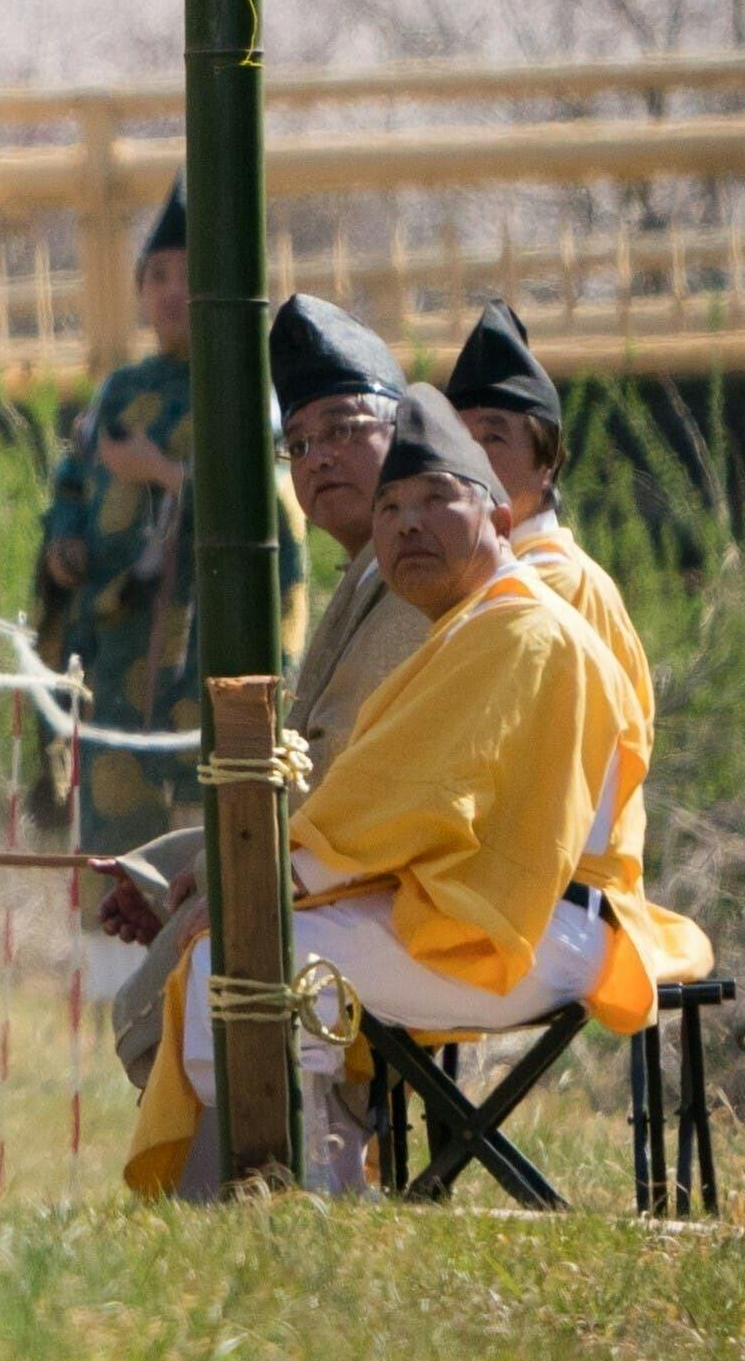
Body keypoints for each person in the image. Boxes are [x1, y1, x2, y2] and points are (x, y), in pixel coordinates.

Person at [125, 387, 706, 1196]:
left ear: (500, 521)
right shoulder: (475, 624)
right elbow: (393, 805)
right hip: (494, 913)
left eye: (437, 498)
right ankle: (288, 1194)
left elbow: (409, 803)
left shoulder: (517, 628)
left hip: (533, 928)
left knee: (249, 962)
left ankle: (295, 1201)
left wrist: (267, 886)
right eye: (392, 506)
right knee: (249, 956)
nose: (406, 524)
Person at [102, 292, 428, 1080]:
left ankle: (286, 1172)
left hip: (392, 886)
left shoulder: (416, 578)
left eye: (345, 430)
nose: (317, 458)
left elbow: (339, 776)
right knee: (170, 903)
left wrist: (222, 880)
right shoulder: (367, 572)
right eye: (300, 441)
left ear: (405, 435)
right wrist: (179, 870)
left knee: (205, 955)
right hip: (338, 863)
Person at [34, 186, 306, 875]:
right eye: (155, 276)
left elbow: (268, 503)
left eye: (186, 275)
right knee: (111, 810)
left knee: (200, 817)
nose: (169, 291)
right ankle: (114, 975)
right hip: (114, 633)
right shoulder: (118, 389)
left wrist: (161, 472)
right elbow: (72, 480)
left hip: (205, 639)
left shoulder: (243, 390)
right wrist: (65, 543)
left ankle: (195, 965)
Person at [444, 299, 654, 729]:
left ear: (548, 462)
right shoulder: (481, 575)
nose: (471, 462)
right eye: (458, 442)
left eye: (493, 439)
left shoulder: (558, 582)